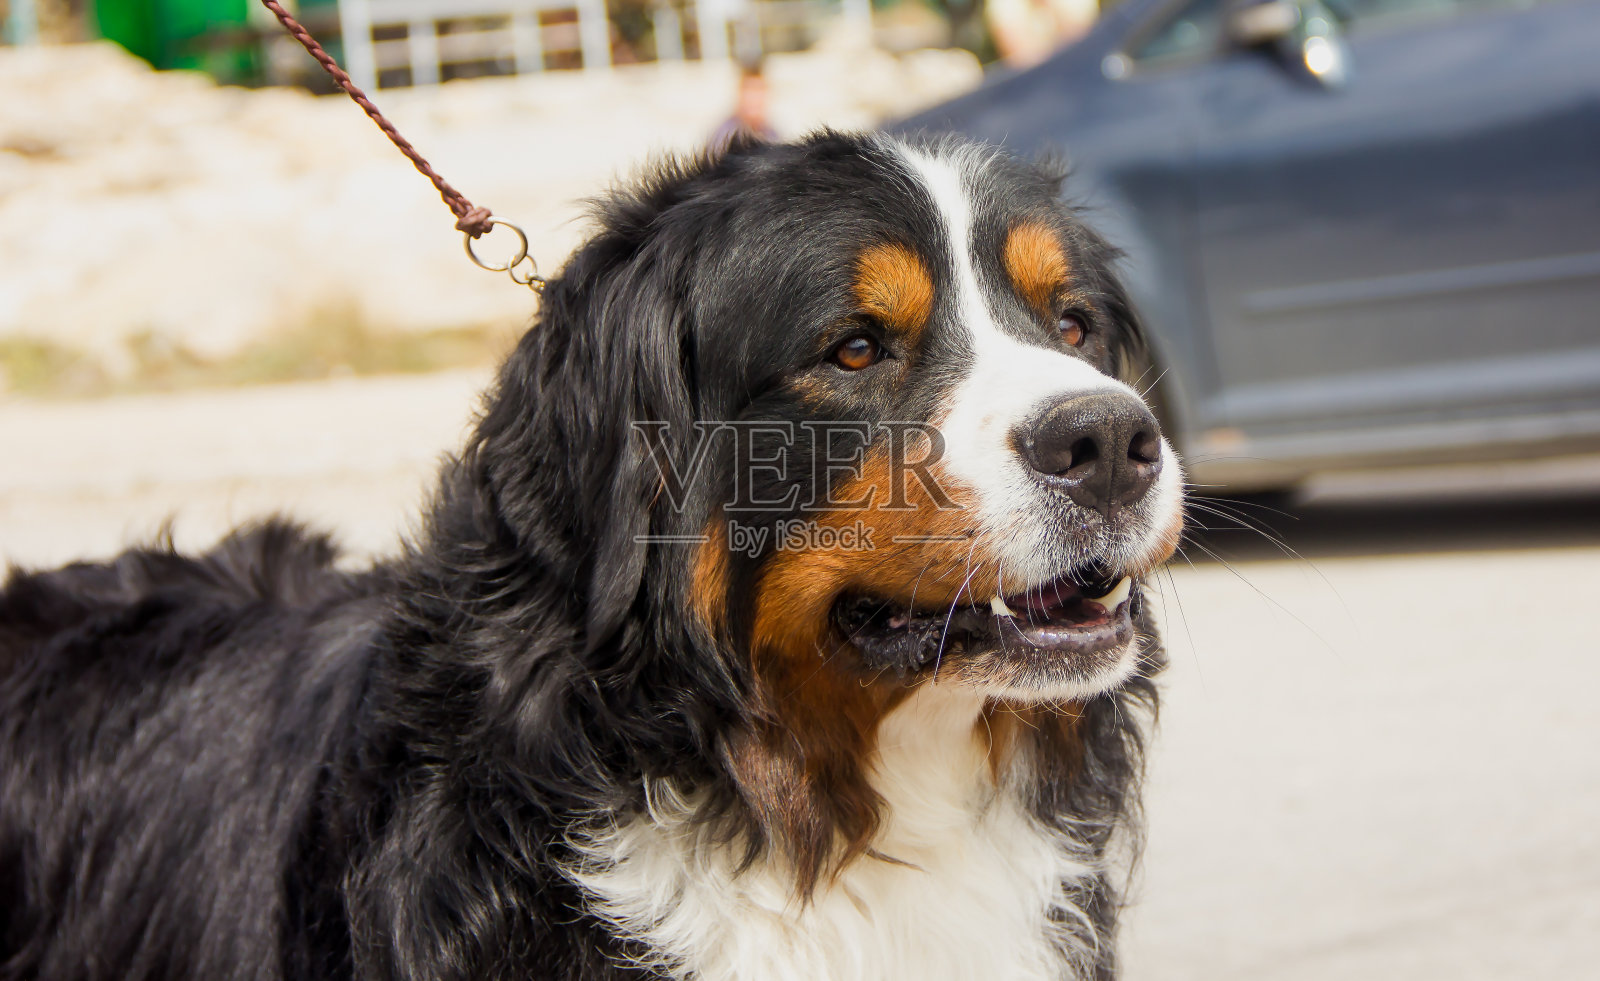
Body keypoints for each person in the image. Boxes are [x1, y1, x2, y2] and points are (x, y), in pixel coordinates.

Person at [711, 60, 777, 148]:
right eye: (750, 90)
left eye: (758, 90)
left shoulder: (771, 134)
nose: (754, 98)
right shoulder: (725, 135)